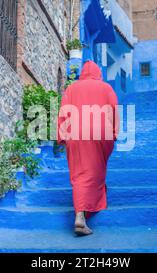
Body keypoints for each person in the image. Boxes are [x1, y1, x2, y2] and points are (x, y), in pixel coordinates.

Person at [57, 61, 119, 236]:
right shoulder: (106, 88)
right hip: (101, 133)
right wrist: (113, 133)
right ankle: (82, 216)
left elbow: (64, 111)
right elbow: (113, 110)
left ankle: (80, 214)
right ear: (98, 73)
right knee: (95, 171)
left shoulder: (71, 89)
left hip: (76, 133)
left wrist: (62, 136)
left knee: (79, 174)